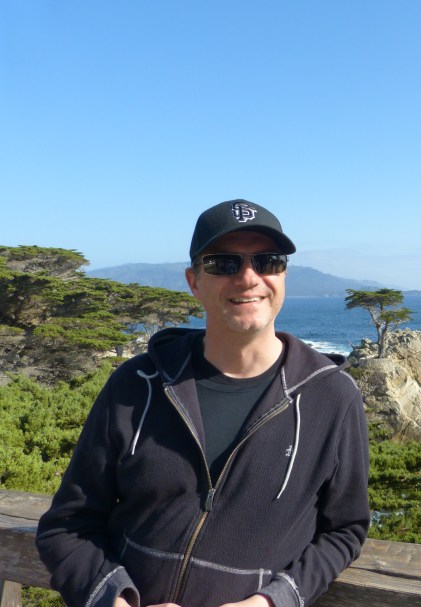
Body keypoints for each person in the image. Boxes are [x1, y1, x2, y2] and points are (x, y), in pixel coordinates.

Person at [36, 199, 370, 607]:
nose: (249, 278)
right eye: (223, 264)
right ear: (194, 281)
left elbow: (345, 529)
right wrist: (116, 603)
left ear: (283, 275)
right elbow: (68, 524)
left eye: (267, 261)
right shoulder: (136, 385)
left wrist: (273, 602)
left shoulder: (332, 397)